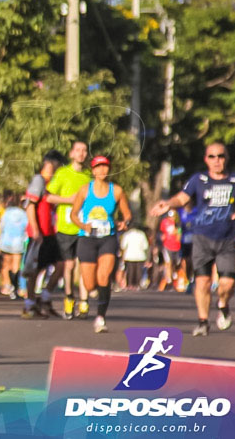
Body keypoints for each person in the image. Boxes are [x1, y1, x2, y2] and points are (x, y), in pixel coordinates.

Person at [151, 142, 235, 336]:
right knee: (202, 282)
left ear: (227, 158)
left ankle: (223, 304)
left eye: (220, 156)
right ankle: (202, 321)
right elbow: (182, 198)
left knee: (227, 284)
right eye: (212, 157)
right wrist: (168, 204)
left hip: (227, 239)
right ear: (206, 160)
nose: (217, 161)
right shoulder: (198, 180)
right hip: (202, 237)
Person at [70, 155, 131, 333]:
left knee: (104, 277)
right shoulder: (84, 190)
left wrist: (124, 222)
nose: (102, 170)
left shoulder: (117, 191)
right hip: (87, 238)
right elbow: (73, 214)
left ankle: (100, 317)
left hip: (108, 238)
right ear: (93, 170)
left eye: (105, 167)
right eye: (98, 167)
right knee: (90, 285)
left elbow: (127, 214)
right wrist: (83, 225)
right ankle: (95, 295)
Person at [47, 141, 92, 319]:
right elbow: (48, 196)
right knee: (69, 265)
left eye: (84, 151)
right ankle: (68, 298)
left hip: (84, 227)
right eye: (78, 150)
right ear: (71, 153)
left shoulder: (89, 176)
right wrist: (70, 200)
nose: (81, 154)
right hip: (65, 227)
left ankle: (84, 301)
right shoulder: (63, 173)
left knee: (83, 264)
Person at [21, 149, 65, 319]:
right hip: (39, 233)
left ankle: (44, 299)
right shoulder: (38, 180)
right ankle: (29, 305)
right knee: (34, 269)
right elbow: (30, 205)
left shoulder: (50, 183)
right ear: (51, 163)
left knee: (61, 265)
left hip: (49, 233)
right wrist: (36, 230)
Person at [0, 192, 27, 299]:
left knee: (5, 265)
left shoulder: (6, 213)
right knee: (16, 265)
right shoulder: (23, 214)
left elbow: (2, 227)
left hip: (6, 241)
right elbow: (26, 227)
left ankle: (7, 285)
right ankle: (15, 286)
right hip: (18, 242)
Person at [158, 210, 183, 291]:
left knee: (176, 263)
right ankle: (168, 280)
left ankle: (175, 276)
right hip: (167, 245)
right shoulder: (164, 222)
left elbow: (179, 232)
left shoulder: (178, 223)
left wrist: (178, 234)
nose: (171, 218)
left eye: (172, 216)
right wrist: (161, 237)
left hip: (176, 246)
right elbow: (160, 232)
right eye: (169, 216)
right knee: (168, 262)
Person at [120, 224, 150, 291]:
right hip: (140, 255)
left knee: (130, 271)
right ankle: (137, 285)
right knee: (138, 271)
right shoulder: (142, 234)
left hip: (129, 255)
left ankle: (130, 284)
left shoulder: (127, 234)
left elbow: (123, 245)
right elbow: (145, 246)